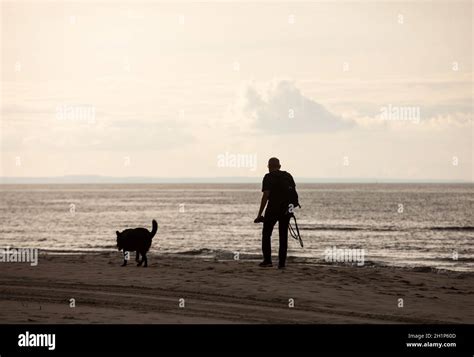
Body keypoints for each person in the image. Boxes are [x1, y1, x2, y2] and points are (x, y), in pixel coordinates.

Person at [254, 157, 296, 269]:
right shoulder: (288, 176)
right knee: (283, 237)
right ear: (280, 166)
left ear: (269, 167)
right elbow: (293, 196)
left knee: (266, 234)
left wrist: (259, 214)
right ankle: (281, 264)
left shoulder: (268, 177)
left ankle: (267, 261)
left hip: (272, 209)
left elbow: (265, 196)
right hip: (286, 210)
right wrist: (290, 212)